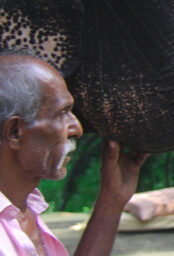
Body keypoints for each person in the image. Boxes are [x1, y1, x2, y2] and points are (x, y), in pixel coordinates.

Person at [0, 51, 148, 256]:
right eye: (62, 113)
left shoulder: (23, 208)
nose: (77, 128)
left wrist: (112, 199)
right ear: (15, 131)